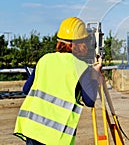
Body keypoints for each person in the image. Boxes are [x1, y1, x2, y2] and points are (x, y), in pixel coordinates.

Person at [14, 17, 103, 145]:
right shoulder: (80, 67)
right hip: (56, 137)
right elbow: (89, 100)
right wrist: (94, 75)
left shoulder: (44, 60)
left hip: (32, 129)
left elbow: (26, 89)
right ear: (78, 43)